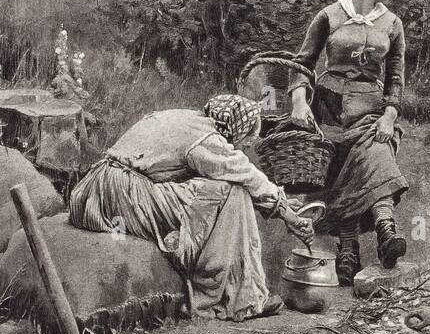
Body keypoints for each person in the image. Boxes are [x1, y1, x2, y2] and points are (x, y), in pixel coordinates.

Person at [68, 94, 314, 321]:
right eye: (245, 139)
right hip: (121, 194)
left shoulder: (188, 118)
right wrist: (284, 211)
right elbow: (244, 174)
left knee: (224, 189)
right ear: (237, 130)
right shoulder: (206, 140)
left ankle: (238, 289)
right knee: (233, 191)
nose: (243, 146)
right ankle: (239, 297)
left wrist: (278, 205)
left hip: (94, 190)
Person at [289, 0, 409, 284]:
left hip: (371, 110)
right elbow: (302, 64)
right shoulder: (328, 16)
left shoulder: (393, 23)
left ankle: (386, 231)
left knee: (378, 150)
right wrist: (299, 100)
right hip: (329, 107)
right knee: (339, 167)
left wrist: (389, 114)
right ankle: (348, 247)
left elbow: (396, 77)